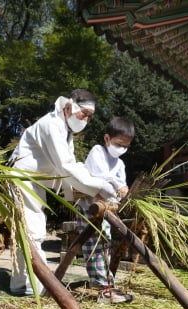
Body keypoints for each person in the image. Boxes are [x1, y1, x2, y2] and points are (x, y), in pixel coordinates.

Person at [8, 89, 118, 296]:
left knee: (26, 231)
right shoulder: (52, 125)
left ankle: (19, 283)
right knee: (33, 231)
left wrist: (96, 185)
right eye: (84, 113)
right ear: (69, 107)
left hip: (33, 179)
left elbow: (70, 164)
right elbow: (65, 166)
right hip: (22, 177)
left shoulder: (64, 130)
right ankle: (39, 286)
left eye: (90, 116)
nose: (87, 119)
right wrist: (98, 187)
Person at [75, 116, 135, 304]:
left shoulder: (120, 164)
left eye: (125, 146)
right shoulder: (97, 152)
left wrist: (122, 191)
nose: (121, 149)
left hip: (106, 210)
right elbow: (99, 177)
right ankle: (104, 288)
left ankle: (105, 286)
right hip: (89, 207)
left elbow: (119, 188)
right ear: (107, 138)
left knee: (105, 243)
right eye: (119, 144)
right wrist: (118, 187)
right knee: (94, 244)